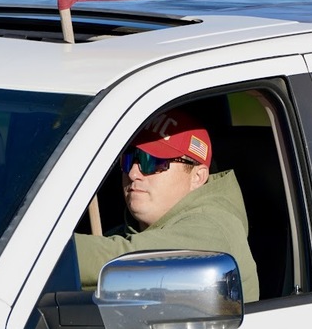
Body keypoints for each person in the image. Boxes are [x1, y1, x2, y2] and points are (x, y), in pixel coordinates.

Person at [75, 110, 259, 303]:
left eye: (152, 162)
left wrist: (46, 248)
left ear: (197, 177)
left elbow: (118, 259)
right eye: (129, 159)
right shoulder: (133, 230)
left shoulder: (214, 227)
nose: (133, 173)